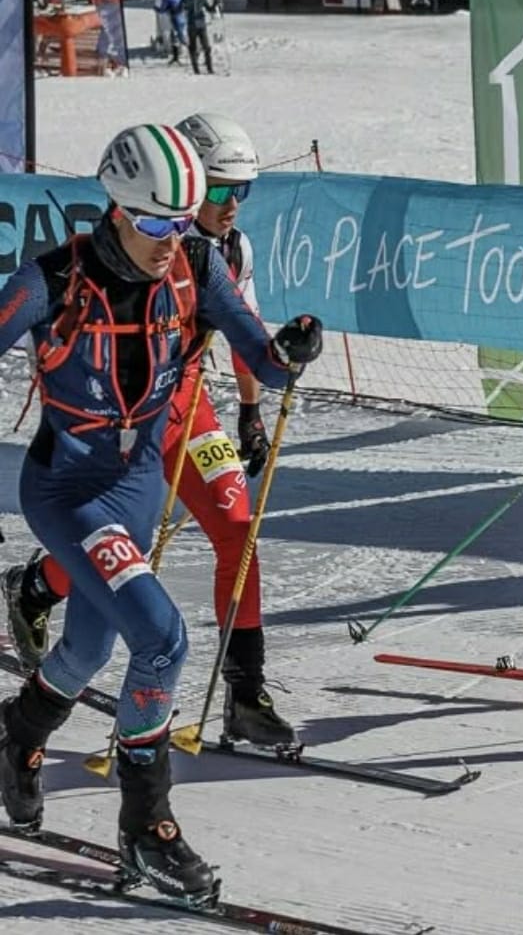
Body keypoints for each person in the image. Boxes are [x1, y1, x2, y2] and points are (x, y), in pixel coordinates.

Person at [0, 123, 323, 900]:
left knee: (86, 652)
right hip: (69, 491)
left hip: (141, 486)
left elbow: (266, 363)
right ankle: (147, 825)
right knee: (162, 639)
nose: (169, 239)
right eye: (154, 222)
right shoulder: (50, 280)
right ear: (117, 207)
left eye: (181, 222)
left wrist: (292, 350)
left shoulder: (197, 263)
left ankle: (17, 736)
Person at [180, 0, 217, 75]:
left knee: (207, 47)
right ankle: (196, 69)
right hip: (192, 26)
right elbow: (179, 9)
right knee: (193, 48)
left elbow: (209, 9)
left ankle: (210, 68)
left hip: (201, 25)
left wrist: (215, 5)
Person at [155, 0, 187, 65]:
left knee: (177, 37)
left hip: (174, 18)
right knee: (179, 36)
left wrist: (157, 9)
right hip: (181, 17)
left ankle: (178, 56)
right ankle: (177, 56)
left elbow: (163, 8)